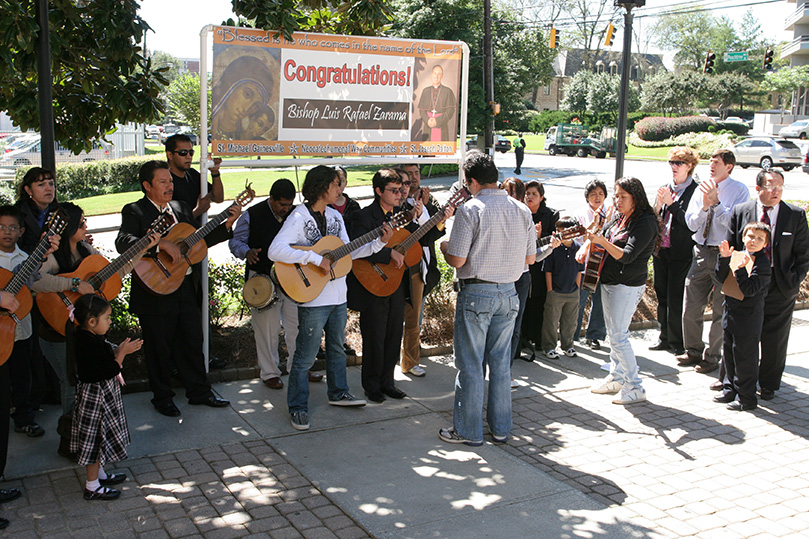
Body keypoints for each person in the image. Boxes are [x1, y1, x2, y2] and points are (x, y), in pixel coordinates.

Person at [269, 165, 394, 431]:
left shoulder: (335, 218)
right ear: (322, 186)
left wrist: (379, 243)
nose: (341, 189)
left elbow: (350, 251)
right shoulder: (299, 216)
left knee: (337, 348)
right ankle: (298, 407)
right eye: (336, 184)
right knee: (305, 355)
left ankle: (338, 392)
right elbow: (275, 250)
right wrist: (314, 258)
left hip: (338, 294)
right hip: (313, 297)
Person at [115, 161, 239, 417]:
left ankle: (199, 392)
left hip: (183, 285)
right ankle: (162, 397)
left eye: (170, 181)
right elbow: (123, 241)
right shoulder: (135, 211)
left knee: (193, 340)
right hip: (153, 289)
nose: (169, 186)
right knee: (159, 347)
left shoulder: (181, 208)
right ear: (147, 186)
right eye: (163, 182)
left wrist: (226, 224)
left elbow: (196, 242)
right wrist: (159, 246)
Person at [33, 202, 150, 459]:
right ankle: (72, 443)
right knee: (70, 385)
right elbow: (36, 280)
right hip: (56, 332)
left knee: (81, 385)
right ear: (69, 227)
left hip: (81, 335)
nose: (86, 226)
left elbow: (115, 273)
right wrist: (74, 283)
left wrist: (142, 248)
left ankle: (87, 442)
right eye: (82, 222)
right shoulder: (53, 255)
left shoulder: (87, 250)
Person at [438, 151, 536, 446]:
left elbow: (457, 259)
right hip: (509, 291)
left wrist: (444, 246)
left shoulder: (471, 209)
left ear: (471, 181)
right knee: (501, 363)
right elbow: (531, 257)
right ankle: (501, 427)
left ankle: (468, 430)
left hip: (477, 293)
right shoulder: (522, 209)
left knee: (469, 364)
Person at [722, 169, 809, 400]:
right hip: (746, 284)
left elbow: (803, 254)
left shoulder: (795, 214)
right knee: (739, 336)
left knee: (774, 338)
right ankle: (732, 383)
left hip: (779, 286)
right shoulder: (742, 211)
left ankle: (768, 383)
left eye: (780, 186)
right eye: (771, 185)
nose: (776, 191)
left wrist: (793, 280)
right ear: (758, 188)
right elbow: (731, 246)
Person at [347, 169, 416, 403]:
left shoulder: (401, 215)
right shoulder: (364, 217)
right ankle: (372, 385)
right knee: (374, 336)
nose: (400, 194)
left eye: (401, 190)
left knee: (393, 334)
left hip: (395, 282)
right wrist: (388, 254)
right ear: (378, 191)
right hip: (373, 283)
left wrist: (433, 221)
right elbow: (355, 251)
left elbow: (414, 241)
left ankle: (388, 382)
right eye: (394, 190)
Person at [589, 177, 659, 405]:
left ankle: (635, 386)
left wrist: (602, 241)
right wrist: (599, 230)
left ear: (636, 197)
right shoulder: (620, 217)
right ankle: (616, 377)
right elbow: (604, 237)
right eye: (616, 195)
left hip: (627, 284)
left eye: (623, 196)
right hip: (609, 281)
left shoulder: (645, 222)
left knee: (619, 336)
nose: (617, 200)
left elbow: (627, 256)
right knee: (613, 333)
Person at [679, 149, 749, 374]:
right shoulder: (702, 187)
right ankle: (692, 350)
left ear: (728, 166)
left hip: (724, 254)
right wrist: (705, 207)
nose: (711, 165)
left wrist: (717, 203)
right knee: (690, 306)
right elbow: (690, 223)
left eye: (716, 162)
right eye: (710, 161)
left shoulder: (739, 190)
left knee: (720, 308)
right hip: (700, 252)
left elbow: (735, 225)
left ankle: (712, 357)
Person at [229, 179, 298, 390]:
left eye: (289, 205)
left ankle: (299, 368)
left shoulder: (297, 214)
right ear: (271, 199)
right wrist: (246, 252)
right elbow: (235, 242)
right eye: (281, 205)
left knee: (297, 325)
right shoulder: (252, 214)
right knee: (266, 328)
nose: (286, 209)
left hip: (293, 277)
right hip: (261, 277)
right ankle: (270, 373)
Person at [67, 294, 138, 500]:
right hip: (95, 399)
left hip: (101, 397)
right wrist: (122, 354)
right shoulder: (86, 343)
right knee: (96, 439)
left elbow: (104, 360)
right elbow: (105, 370)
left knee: (102, 436)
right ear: (91, 321)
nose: (110, 322)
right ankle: (92, 486)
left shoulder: (88, 337)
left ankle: (99, 475)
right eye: (107, 318)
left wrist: (119, 349)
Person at [713, 223, 771, 411]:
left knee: (745, 358)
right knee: (729, 353)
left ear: (765, 243)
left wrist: (739, 269)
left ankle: (747, 398)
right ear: (743, 237)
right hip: (731, 313)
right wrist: (724, 259)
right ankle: (730, 389)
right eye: (750, 236)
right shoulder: (739, 255)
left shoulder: (763, 264)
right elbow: (721, 278)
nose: (753, 241)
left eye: (759, 239)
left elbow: (750, 289)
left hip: (748, 318)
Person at [400, 163, 448, 377]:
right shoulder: (397, 204)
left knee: (414, 319)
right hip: (398, 268)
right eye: (409, 174)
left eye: (417, 173)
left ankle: (410, 361)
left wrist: (428, 209)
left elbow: (434, 234)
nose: (414, 178)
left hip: (421, 268)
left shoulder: (429, 201)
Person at [651, 147, 699, 356]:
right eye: (671, 162)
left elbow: (691, 224)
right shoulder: (665, 188)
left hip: (681, 252)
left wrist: (671, 205)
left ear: (689, 166)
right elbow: (653, 217)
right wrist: (659, 205)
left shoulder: (695, 191)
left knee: (676, 297)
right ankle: (664, 337)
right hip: (662, 250)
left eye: (679, 163)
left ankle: (678, 341)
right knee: (662, 295)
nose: (674, 167)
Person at [521, 180, 559, 357]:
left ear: (541, 197)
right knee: (524, 302)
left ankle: (537, 339)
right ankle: (522, 338)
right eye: (527, 193)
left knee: (538, 301)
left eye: (534, 194)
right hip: (522, 265)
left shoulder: (550, 214)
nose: (529, 197)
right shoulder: (519, 211)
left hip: (542, 265)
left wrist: (539, 236)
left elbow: (554, 237)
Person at [541, 217, 585, 360]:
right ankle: (549, 347)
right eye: (561, 230)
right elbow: (547, 270)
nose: (565, 233)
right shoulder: (554, 249)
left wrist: (577, 287)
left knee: (570, 321)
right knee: (551, 321)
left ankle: (568, 345)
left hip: (572, 291)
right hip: (556, 291)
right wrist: (550, 290)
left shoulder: (578, 247)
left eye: (569, 230)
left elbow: (580, 269)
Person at [574, 180, 608, 350]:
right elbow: (578, 239)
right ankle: (572, 335)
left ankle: (594, 336)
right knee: (579, 301)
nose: (597, 197)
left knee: (599, 302)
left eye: (601, 194)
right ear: (587, 197)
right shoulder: (581, 215)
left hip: (603, 265)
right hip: (585, 264)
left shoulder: (611, 213)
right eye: (593, 194)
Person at [165, 133, 224, 225]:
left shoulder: (192, 174)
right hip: (178, 238)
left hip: (198, 235)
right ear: (170, 155)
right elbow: (169, 224)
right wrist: (198, 210)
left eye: (191, 153)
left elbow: (218, 198)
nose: (188, 157)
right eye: (183, 153)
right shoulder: (165, 181)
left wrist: (215, 173)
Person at [212, 56, 275, 140]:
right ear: (231, 86)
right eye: (247, 94)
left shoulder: (244, 137)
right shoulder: (208, 125)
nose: (247, 108)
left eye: (256, 105)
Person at [417, 65, 457, 142]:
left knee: (441, 152)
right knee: (427, 151)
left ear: (442, 75)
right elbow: (421, 111)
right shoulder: (426, 91)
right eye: (435, 73)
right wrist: (428, 120)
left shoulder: (447, 91)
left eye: (439, 73)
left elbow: (450, 111)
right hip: (428, 126)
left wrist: (438, 121)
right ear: (432, 74)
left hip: (442, 126)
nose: (436, 76)